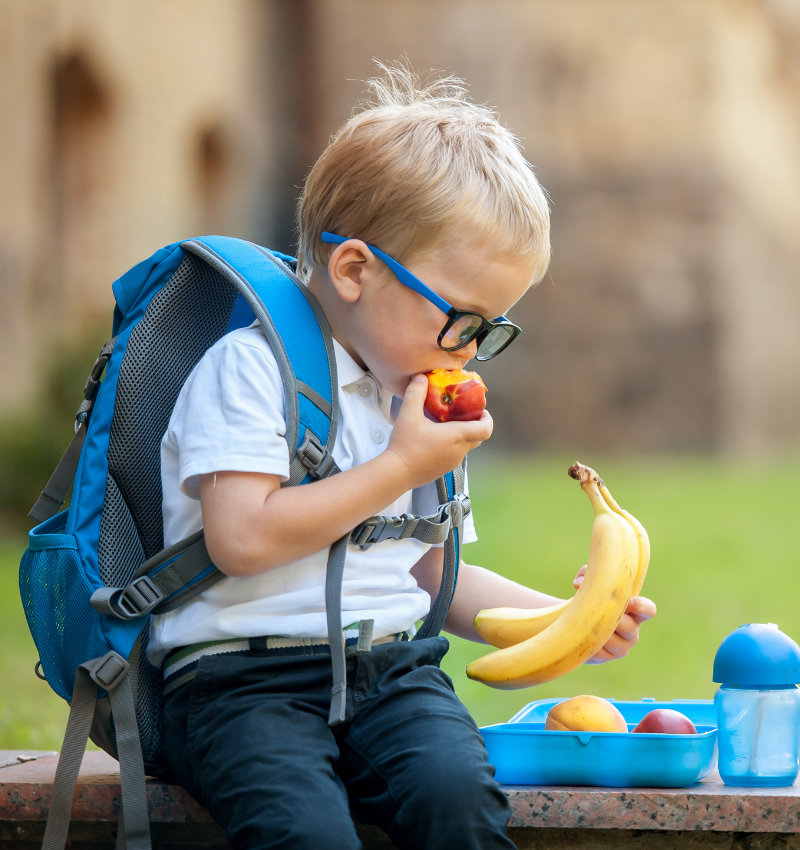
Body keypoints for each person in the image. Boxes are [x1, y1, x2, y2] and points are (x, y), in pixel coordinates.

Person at [151, 61, 656, 850]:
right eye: (461, 318)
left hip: (390, 672)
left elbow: (430, 574)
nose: (470, 349)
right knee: (306, 834)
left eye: (490, 327)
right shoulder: (252, 371)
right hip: (239, 683)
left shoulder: (416, 400)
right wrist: (398, 467)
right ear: (355, 270)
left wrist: (571, 622)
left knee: (460, 802)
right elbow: (240, 539)